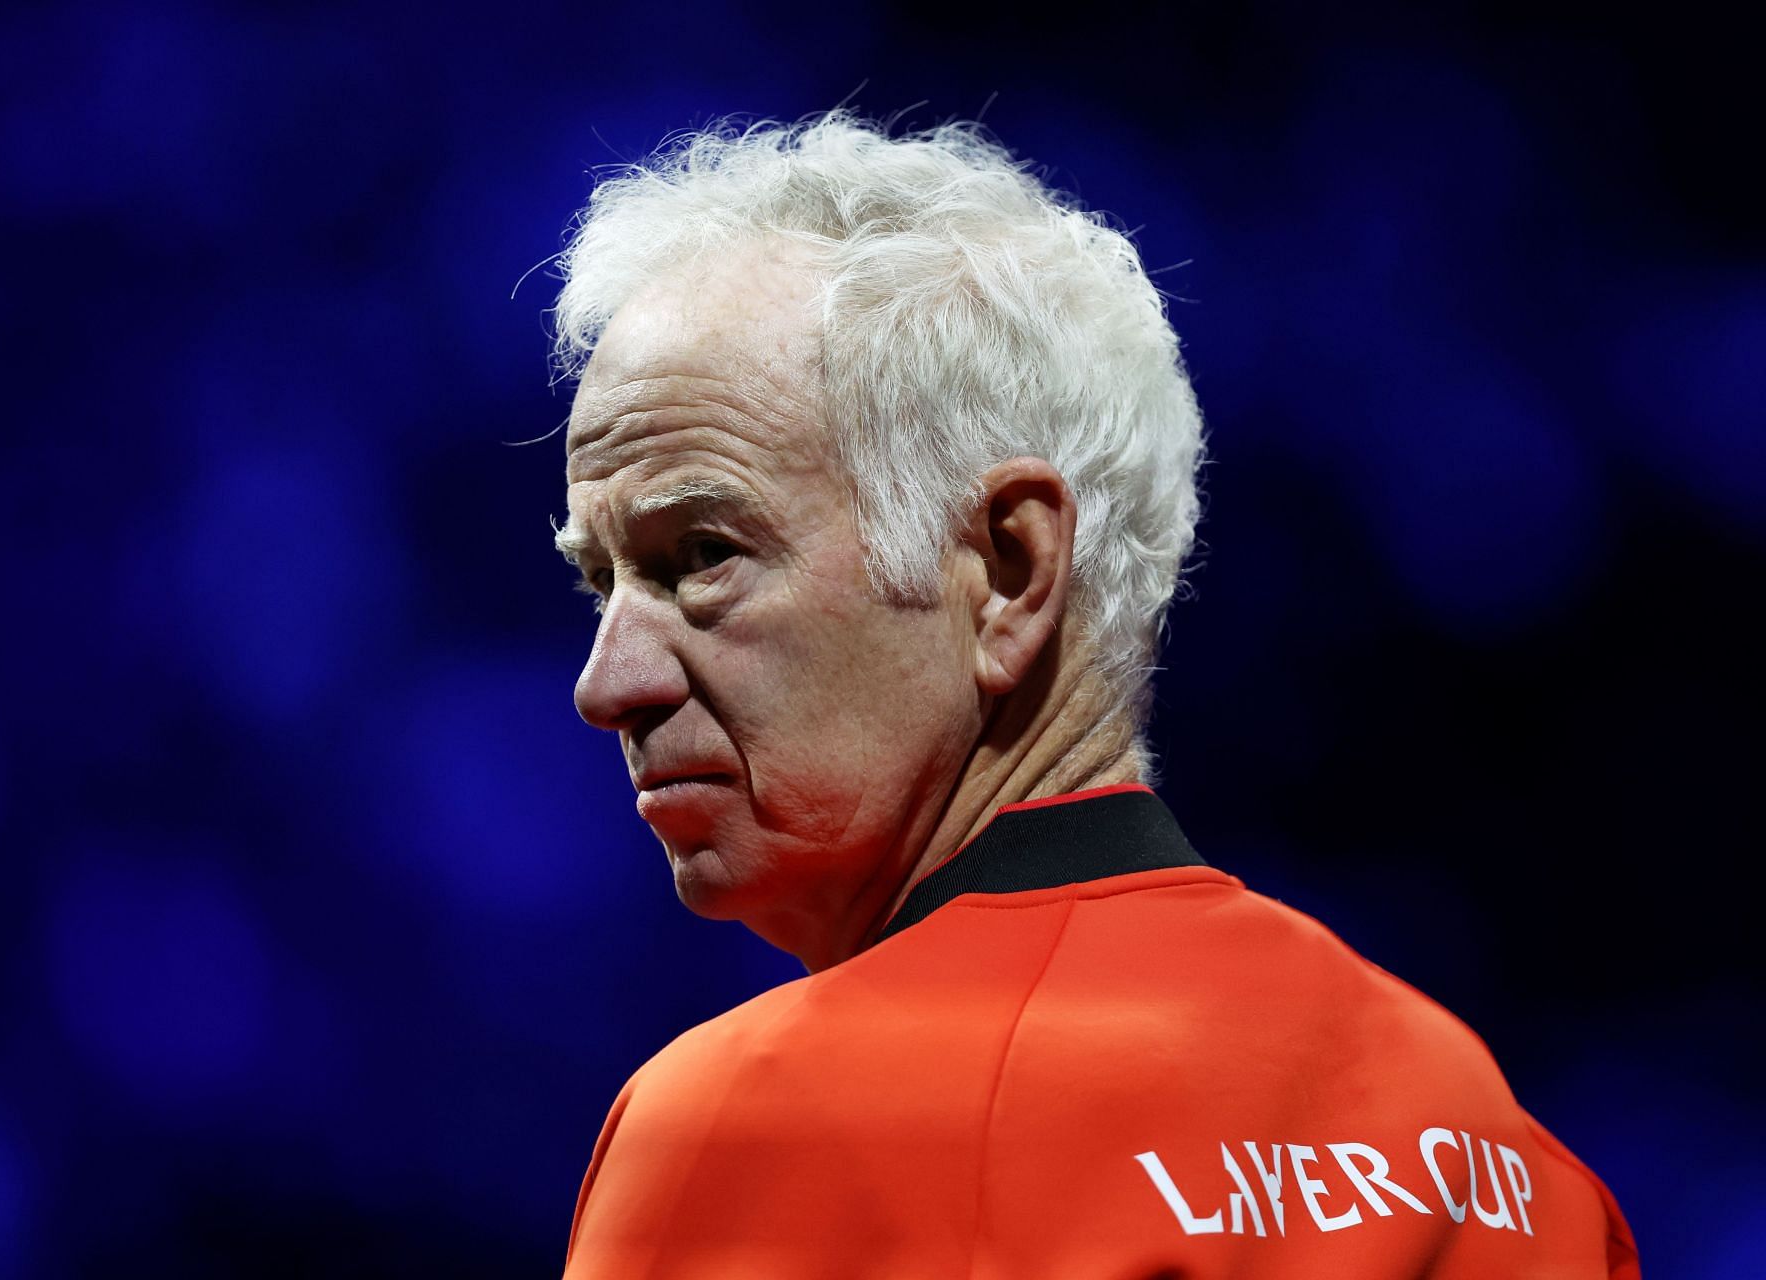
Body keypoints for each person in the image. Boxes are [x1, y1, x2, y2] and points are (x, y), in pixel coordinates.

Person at [547, 112, 1639, 1278]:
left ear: (1011, 570)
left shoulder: (755, 1126)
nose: (608, 684)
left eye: (702, 555)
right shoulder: (1494, 1147)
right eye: (600, 581)